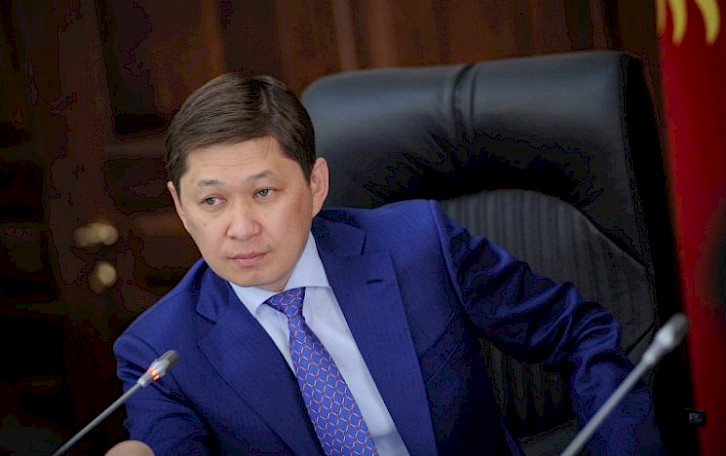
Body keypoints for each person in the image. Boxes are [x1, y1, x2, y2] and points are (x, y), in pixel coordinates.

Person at [113, 73, 665, 455]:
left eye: (264, 193)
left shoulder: (418, 247)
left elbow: (579, 334)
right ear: (180, 207)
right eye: (212, 200)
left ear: (315, 185)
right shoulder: (160, 352)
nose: (240, 228)